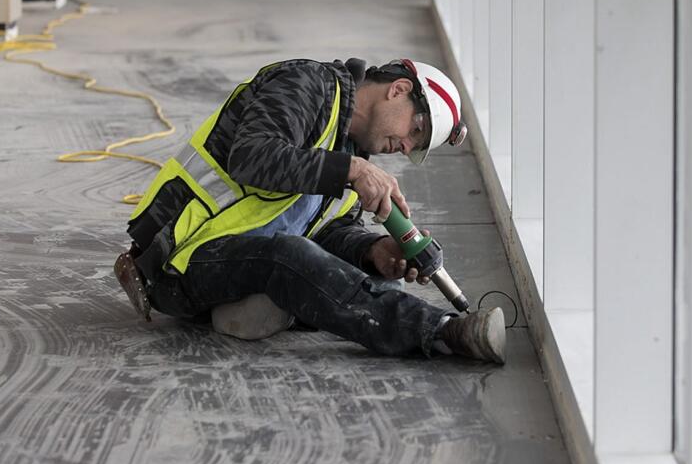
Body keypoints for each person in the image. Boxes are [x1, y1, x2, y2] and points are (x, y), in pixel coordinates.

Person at [113, 57, 506, 364]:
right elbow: (251, 157)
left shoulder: (355, 153)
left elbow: (326, 232)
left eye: (415, 148)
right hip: (179, 259)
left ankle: (265, 307)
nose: (405, 147)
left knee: (377, 280)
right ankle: (440, 332)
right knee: (289, 258)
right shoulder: (306, 85)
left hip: (243, 257)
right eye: (415, 132)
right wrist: (350, 171)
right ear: (399, 89)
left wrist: (373, 251)